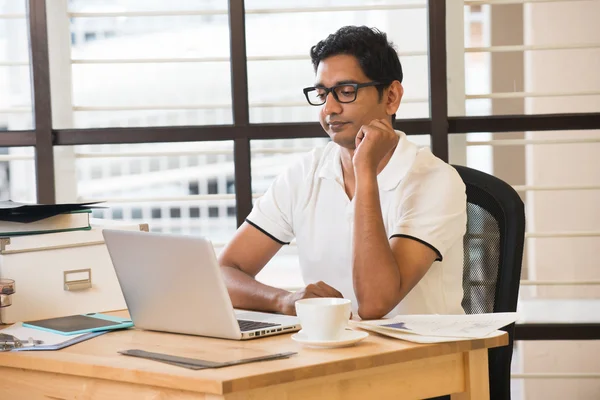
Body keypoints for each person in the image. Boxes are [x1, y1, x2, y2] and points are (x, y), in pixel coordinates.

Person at [218, 26, 466, 320]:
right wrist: (284, 301)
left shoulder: (435, 180)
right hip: (332, 353)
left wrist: (365, 171)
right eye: (322, 94)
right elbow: (223, 272)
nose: (329, 108)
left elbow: (375, 304)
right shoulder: (304, 174)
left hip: (424, 359)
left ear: (391, 97)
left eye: (346, 92)